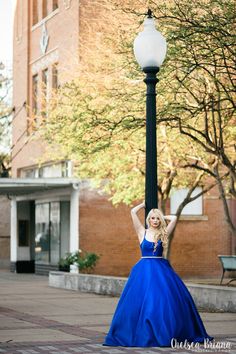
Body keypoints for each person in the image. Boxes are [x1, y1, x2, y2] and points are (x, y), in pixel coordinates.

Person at [103, 202, 214, 347]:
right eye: (153, 218)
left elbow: (174, 219)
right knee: (141, 302)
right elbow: (132, 212)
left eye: (157, 219)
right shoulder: (141, 232)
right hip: (143, 271)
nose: (155, 221)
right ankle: (140, 333)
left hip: (161, 270)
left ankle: (165, 333)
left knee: (161, 301)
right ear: (148, 220)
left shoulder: (164, 233)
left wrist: (162, 215)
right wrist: (143, 205)